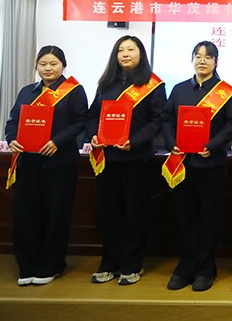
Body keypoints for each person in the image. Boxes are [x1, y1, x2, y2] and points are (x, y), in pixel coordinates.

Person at [5, 45, 88, 286]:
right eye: (43, 64)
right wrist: (12, 139)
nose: (48, 68)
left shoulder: (74, 91)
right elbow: (12, 121)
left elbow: (81, 122)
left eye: (53, 64)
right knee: (26, 215)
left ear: (63, 65)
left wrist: (57, 141)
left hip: (59, 164)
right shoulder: (26, 92)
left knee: (56, 215)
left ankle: (51, 265)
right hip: (27, 163)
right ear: (36, 66)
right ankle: (27, 266)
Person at [87, 35, 166, 285]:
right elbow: (93, 115)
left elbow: (158, 121)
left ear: (141, 54)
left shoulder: (153, 85)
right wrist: (93, 135)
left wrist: (135, 141)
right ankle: (109, 262)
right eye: (121, 50)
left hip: (136, 158)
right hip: (107, 159)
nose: (125, 54)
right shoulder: (106, 83)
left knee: (135, 212)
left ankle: (132, 264)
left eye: (131, 49)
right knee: (108, 212)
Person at [162, 41, 232, 292]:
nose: (202, 61)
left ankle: (206, 269)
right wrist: (172, 143)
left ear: (216, 61)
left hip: (211, 164)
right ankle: (185, 267)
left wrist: (213, 145)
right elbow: (166, 119)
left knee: (209, 218)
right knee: (185, 217)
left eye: (208, 57)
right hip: (183, 164)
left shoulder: (226, 92)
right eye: (198, 56)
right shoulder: (179, 89)